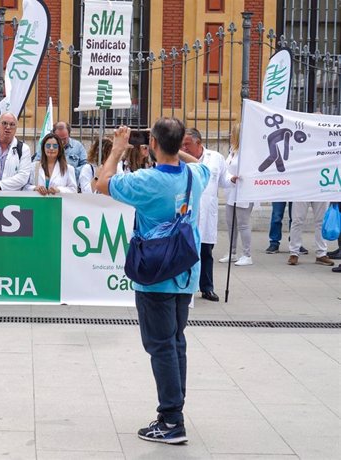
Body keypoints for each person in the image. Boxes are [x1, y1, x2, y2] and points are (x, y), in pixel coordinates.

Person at [95, 118, 210, 445]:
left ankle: (172, 420)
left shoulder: (146, 180)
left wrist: (117, 149)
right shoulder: (195, 176)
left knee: (161, 346)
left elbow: (102, 183)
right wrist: (174, 151)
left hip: (156, 276)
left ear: (153, 146)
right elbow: (200, 163)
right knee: (175, 342)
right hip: (186, 272)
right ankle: (172, 410)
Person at [182, 128, 229, 302]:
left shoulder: (216, 158)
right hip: (186, 213)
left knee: (206, 252)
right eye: (182, 145)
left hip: (207, 213)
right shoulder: (180, 159)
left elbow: (224, 179)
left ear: (198, 143)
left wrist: (234, 179)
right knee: (185, 251)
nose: (184, 148)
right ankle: (185, 287)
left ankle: (207, 288)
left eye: (187, 144)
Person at [219, 123, 254, 266]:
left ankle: (247, 255)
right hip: (231, 191)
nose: (229, 135)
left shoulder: (248, 152)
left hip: (244, 191)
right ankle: (232, 252)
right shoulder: (233, 150)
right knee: (230, 223)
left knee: (243, 224)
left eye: (232, 132)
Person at [288, 202, 334, 266]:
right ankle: (294, 253)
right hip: (301, 192)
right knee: (297, 221)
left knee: (321, 221)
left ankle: (321, 254)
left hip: (320, 193)